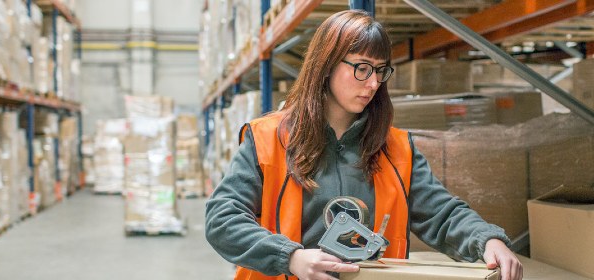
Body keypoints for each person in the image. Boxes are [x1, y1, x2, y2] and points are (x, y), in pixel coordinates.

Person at [205, 9, 522, 280]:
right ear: (326, 64)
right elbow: (222, 219)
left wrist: (487, 240)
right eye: (361, 68)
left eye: (380, 71)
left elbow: (443, 214)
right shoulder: (268, 140)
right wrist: (290, 257)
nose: (373, 83)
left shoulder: (396, 149)